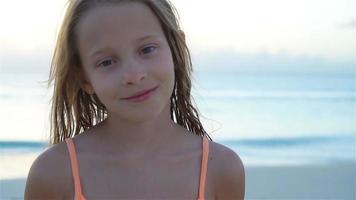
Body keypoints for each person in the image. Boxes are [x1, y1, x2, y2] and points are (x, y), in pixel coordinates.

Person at [24, 0, 245, 199]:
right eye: (107, 62)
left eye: (147, 49)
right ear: (83, 78)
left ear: (176, 49)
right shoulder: (54, 173)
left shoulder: (221, 170)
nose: (133, 75)